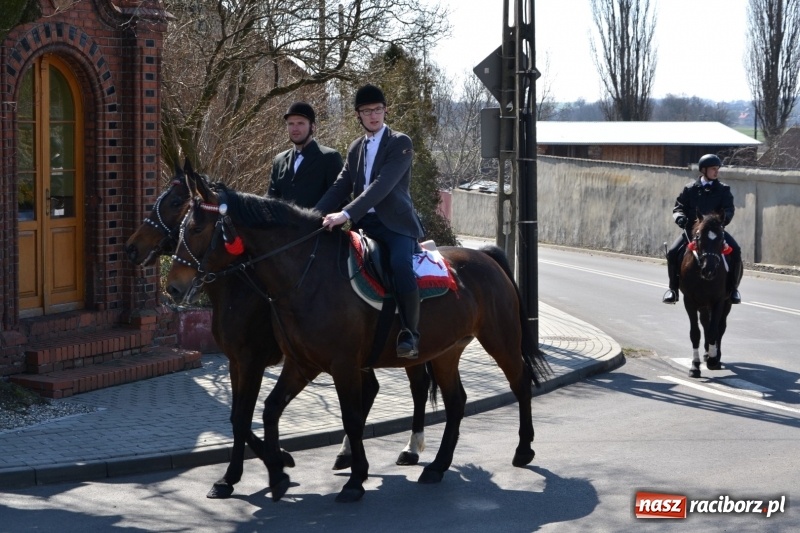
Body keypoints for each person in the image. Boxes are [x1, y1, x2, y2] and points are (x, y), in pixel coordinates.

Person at [316, 84, 424, 359]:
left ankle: (411, 334)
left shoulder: (401, 143)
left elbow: (380, 186)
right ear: (358, 116)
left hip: (396, 226)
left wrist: (345, 214)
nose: (373, 115)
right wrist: (307, 216)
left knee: (399, 264)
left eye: (378, 110)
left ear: (385, 110)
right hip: (366, 226)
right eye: (367, 111)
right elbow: (341, 186)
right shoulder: (355, 148)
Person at [662, 153, 743, 305]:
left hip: (715, 233)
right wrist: (680, 217)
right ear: (704, 170)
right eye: (713, 169)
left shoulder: (724, 190)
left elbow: (729, 209)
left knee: (736, 250)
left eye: (717, 168)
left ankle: (733, 289)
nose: (716, 172)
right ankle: (673, 290)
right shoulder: (690, 189)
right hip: (692, 232)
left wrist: (722, 220)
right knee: (672, 253)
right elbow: (678, 208)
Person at [267, 102, 343, 207]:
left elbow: (341, 200)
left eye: (300, 123)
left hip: (318, 223)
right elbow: (270, 201)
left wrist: (321, 222)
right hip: (283, 223)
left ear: (313, 127)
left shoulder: (329, 157)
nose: (295, 129)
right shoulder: (279, 160)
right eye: (291, 124)